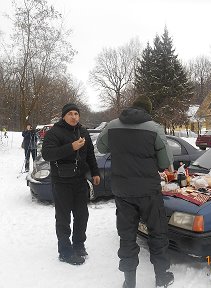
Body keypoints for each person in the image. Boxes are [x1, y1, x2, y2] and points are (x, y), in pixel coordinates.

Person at [96, 96, 175, 288]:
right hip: (149, 191)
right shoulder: (154, 128)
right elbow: (165, 163)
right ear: (147, 110)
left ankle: (129, 281)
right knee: (157, 233)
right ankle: (161, 277)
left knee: (127, 235)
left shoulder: (113, 125)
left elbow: (101, 146)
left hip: (123, 191)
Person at [42, 103, 101, 265]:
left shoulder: (83, 131)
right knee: (63, 217)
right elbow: (47, 154)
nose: (74, 116)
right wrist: (71, 147)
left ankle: (79, 244)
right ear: (64, 116)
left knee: (82, 215)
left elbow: (90, 154)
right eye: (70, 114)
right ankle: (65, 251)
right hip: (61, 182)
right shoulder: (54, 132)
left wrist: (95, 172)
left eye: (76, 113)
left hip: (80, 180)